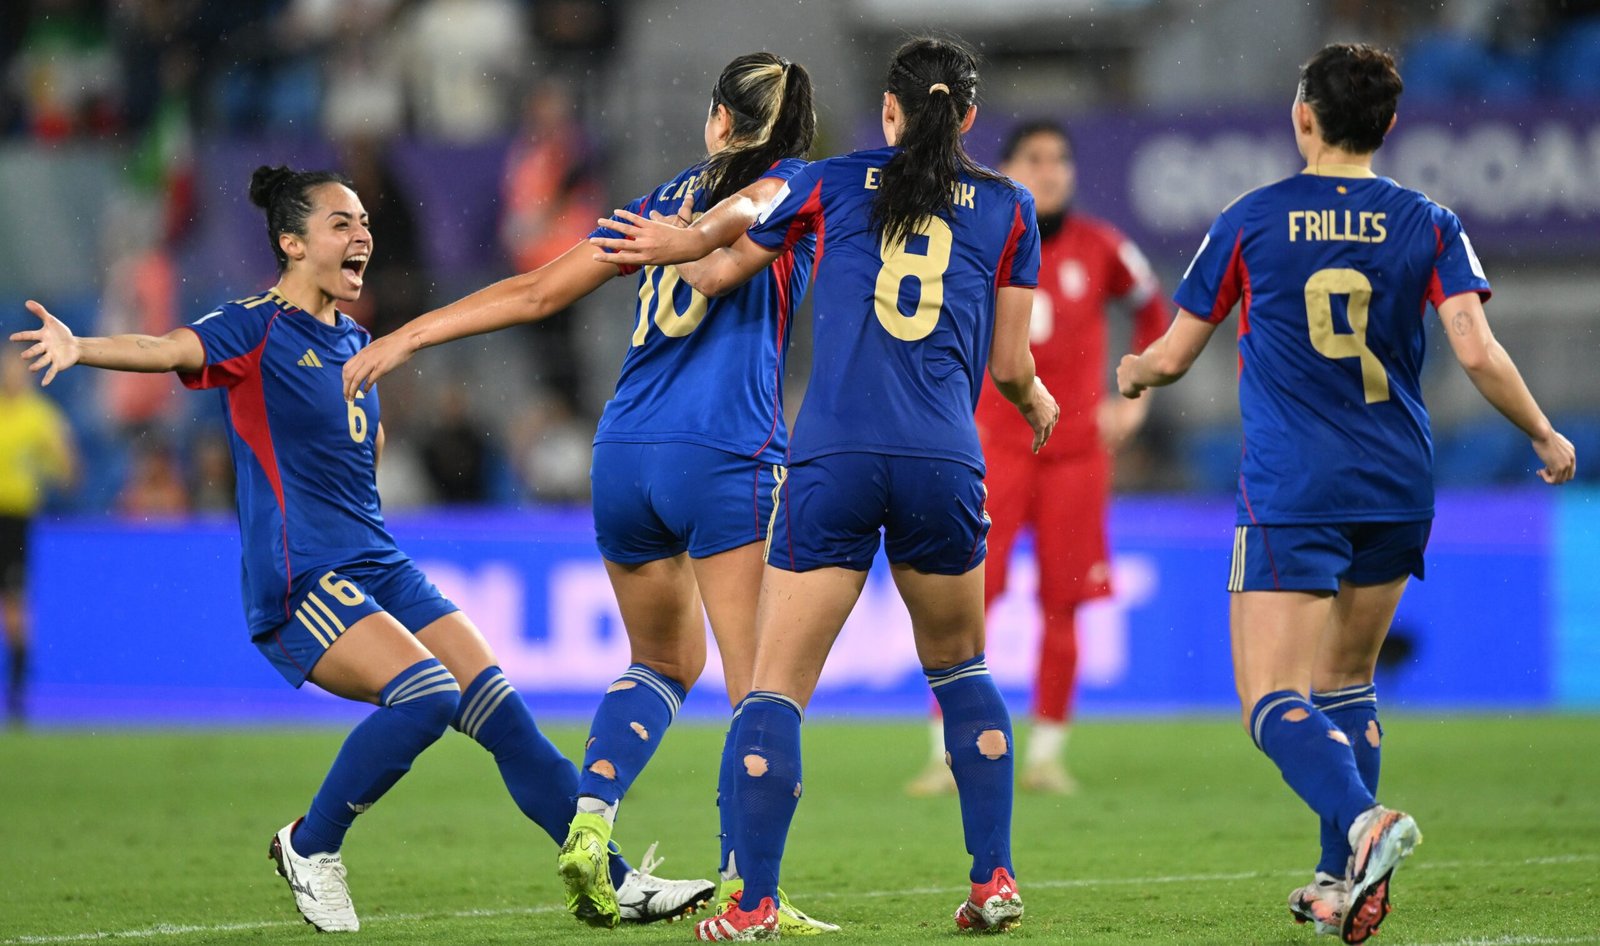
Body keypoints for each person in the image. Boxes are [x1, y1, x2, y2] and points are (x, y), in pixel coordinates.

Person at [10, 164, 710, 933]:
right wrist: (81, 349)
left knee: (501, 711)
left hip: (379, 562)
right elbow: (167, 345)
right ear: (291, 243)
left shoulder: (353, 339)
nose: (362, 236)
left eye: (364, 223)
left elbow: (354, 454)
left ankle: (612, 881)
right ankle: (311, 845)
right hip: (302, 575)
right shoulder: (254, 326)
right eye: (340, 224)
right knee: (429, 694)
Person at [341, 53, 837, 934]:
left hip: (624, 451)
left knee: (661, 662)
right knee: (756, 689)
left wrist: (412, 333)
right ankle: (745, 887)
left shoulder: (661, 201)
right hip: (724, 451)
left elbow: (536, 291)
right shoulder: (794, 188)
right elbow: (750, 221)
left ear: (720, 119)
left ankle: (592, 816)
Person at [1114, 43, 1575, 945]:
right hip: (1398, 481)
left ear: (1303, 119)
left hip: (1296, 487)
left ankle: (1364, 826)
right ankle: (1337, 884)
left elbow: (1172, 356)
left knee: (1271, 700)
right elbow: (1476, 348)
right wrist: (1544, 432)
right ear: (1389, 125)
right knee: (1347, 682)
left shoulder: (1251, 218)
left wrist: (1131, 374)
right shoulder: (1428, 220)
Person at [601, 36, 1058, 940]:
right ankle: (994, 878)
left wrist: (677, 240)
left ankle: (756, 900)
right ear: (967, 118)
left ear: (888, 111)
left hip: (834, 459)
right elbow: (1011, 366)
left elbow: (718, 262)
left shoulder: (832, 182)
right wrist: (1038, 401)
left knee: (773, 689)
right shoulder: (1011, 208)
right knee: (962, 670)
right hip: (941, 459)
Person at [904, 118, 1169, 798]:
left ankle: (1047, 755)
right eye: (1035, 158)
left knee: (1064, 605)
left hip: (1076, 454)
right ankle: (945, 753)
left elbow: (1153, 313)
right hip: (993, 451)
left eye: (1060, 159)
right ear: (1010, 169)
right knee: (968, 601)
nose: (1049, 171)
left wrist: (1133, 396)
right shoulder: (979, 243)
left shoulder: (1102, 248)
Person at [0, 353, 75, 724]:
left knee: (14, 608)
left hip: (14, 518)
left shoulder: (40, 417)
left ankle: (16, 694)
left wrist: (47, 469)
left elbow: (67, 470)